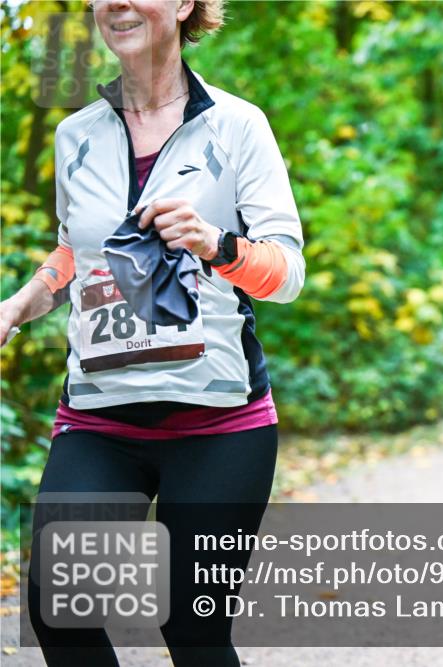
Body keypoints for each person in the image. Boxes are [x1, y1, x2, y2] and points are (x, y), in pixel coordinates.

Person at [0, 1, 305, 665]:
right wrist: (16, 305)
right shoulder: (76, 135)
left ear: (184, 4)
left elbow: (286, 272)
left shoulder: (237, 126)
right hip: (100, 418)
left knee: (192, 632)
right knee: (62, 613)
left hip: (220, 424)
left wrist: (215, 243)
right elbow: (75, 254)